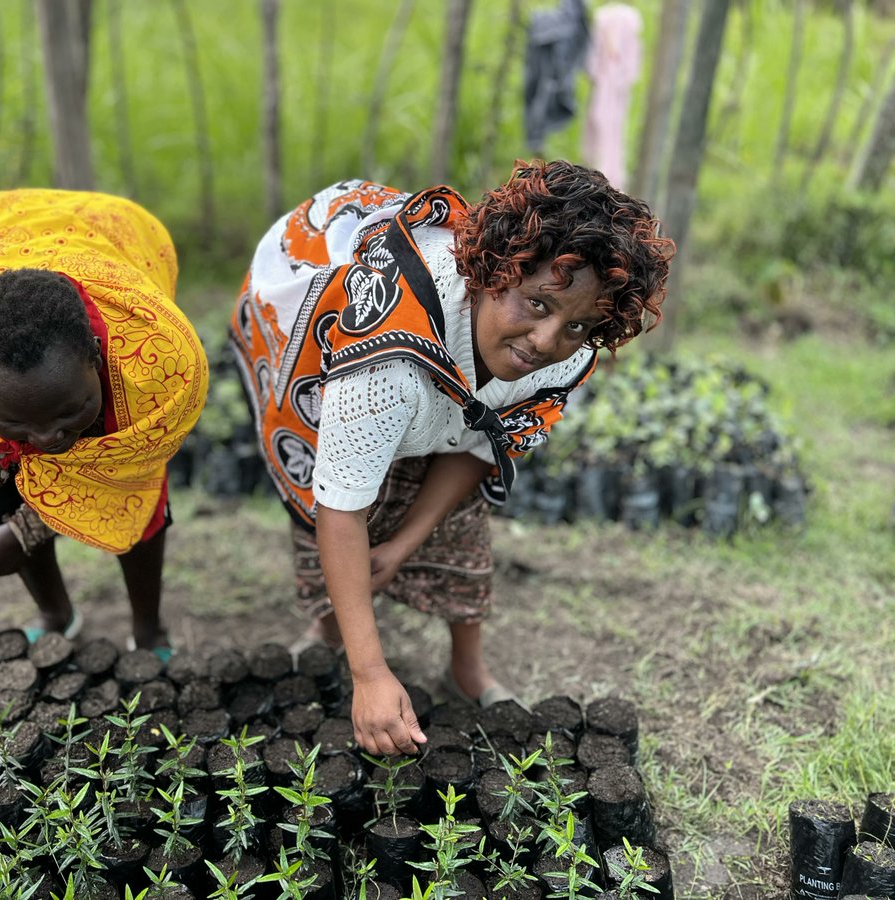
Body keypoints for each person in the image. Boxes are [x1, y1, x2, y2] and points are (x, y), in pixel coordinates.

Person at [229, 159, 672, 759]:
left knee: (456, 511)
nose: (547, 342)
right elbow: (339, 503)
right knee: (342, 486)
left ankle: (466, 669)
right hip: (307, 307)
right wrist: (371, 675)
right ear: (494, 273)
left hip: (423, 378)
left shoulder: (566, 354)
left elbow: (483, 441)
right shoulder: (385, 359)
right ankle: (333, 633)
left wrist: (405, 543)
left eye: (578, 325)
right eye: (538, 305)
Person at [0, 190, 208, 898]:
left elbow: (108, 475)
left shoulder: (160, 362)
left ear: (97, 356)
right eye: (20, 425)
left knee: (137, 506)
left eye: (71, 414)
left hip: (123, 232)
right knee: (3, 490)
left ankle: (148, 627)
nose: (52, 441)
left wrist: (29, 526)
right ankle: (58, 614)